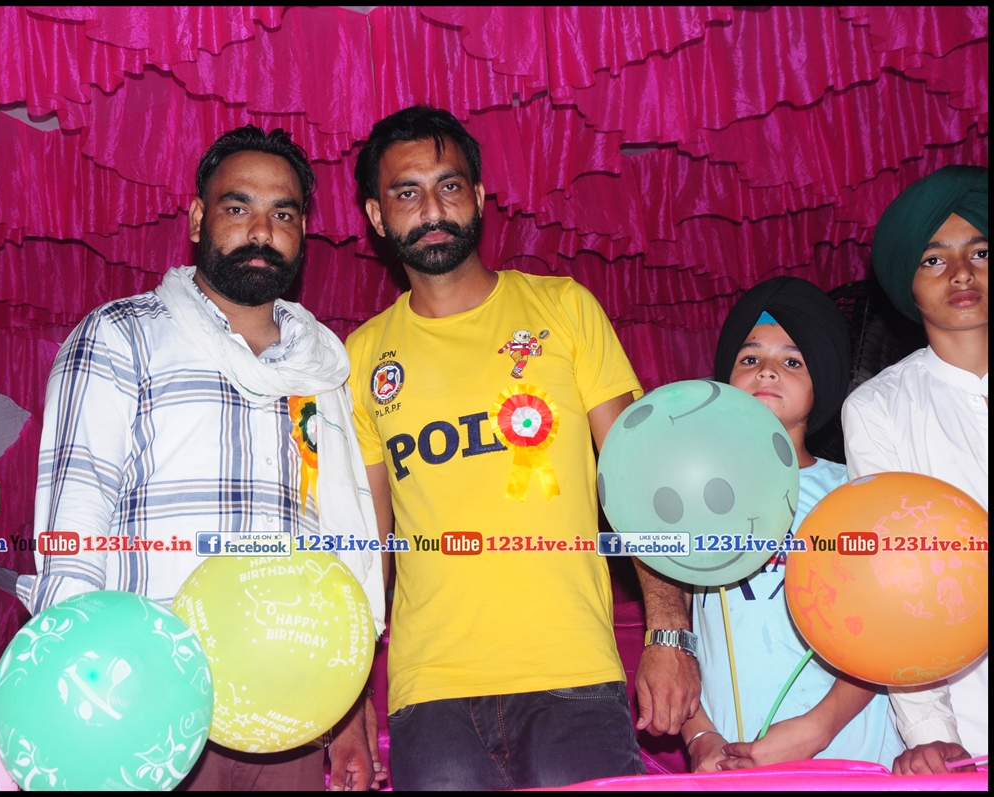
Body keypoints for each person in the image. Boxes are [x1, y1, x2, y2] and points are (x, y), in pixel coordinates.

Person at [15, 126, 387, 791]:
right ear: (196, 219)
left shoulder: (324, 369)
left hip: (289, 704)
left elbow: (342, 544)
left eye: (284, 214)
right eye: (238, 207)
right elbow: (75, 521)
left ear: (303, 233)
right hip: (145, 698)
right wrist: (79, 687)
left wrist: (348, 708)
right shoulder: (123, 334)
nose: (261, 231)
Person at [345, 105, 699, 790]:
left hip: (574, 674)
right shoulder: (360, 357)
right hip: (431, 692)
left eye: (449, 186)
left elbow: (638, 477)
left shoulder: (564, 308)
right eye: (407, 193)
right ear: (377, 216)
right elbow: (369, 544)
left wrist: (669, 631)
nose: (432, 209)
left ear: (479, 197)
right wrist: (351, 696)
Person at [680, 277, 905, 771]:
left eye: (792, 361)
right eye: (749, 358)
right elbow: (677, 633)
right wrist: (700, 736)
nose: (767, 371)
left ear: (823, 378)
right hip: (731, 761)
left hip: (851, 756)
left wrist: (818, 727)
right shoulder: (686, 495)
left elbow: (892, 628)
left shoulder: (855, 488)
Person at [842, 164, 988, 775]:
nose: (961, 272)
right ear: (909, 282)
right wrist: (930, 732)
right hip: (971, 706)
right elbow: (895, 575)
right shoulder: (878, 408)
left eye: (980, 251)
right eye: (933, 259)